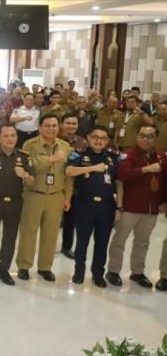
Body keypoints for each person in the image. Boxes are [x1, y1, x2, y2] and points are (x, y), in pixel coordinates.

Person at [107, 125, 167, 289]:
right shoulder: (128, 155)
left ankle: (138, 272)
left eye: (150, 136)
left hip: (151, 209)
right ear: (136, 137)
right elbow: (123, 175)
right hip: (130, 207)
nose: (145, 139)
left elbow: (164, 182)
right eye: (142, 135)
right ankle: (113, 270)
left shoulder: (162, 156)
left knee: (143, 242)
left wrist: (163, 201)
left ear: (155, 139)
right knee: (120, 240)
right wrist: (146, 169)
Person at [17, 114, 73, 282]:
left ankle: (45, 267)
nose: (51, 129)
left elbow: (69, 176)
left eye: (54, 125)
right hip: (34, 194)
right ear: (40, 127)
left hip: (56, 196)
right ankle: (24, 266)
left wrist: (67, 197)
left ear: (59, 127)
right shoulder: (30, 145)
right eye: (47, 126)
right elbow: (29, 167)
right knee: (28, 232)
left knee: (51, 234)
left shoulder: (65, 147)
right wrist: (52, 159)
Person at [0, 124, 34, 286]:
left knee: (10, 238)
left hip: (15, 202)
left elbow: (32, 181)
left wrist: (24, 174)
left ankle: (4, 269)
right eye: (6, 136)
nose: (10, 139)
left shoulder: (24, 157)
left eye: (13, 135)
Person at [64, 125, 118, 287]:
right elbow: (69, 171)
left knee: (102, 242)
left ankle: (98, 274)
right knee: (82, 241)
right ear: (88, 138)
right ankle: (79, 272)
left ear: (107, 141)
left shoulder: (112, 157)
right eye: (95, 137)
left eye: (103, 138)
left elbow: (118, 181)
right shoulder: (79, 154)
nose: (98, 140)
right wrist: (93, 168)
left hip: (107, 206)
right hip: (84, 204)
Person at [59, 112, 88, 259]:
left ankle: (66, 246)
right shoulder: (55, 140)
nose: (71, 126)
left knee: (70, 219)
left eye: (74, 124)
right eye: (68, 123)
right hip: (56, 184)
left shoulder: (83, 142)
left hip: (75, 186)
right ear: (62, 124)